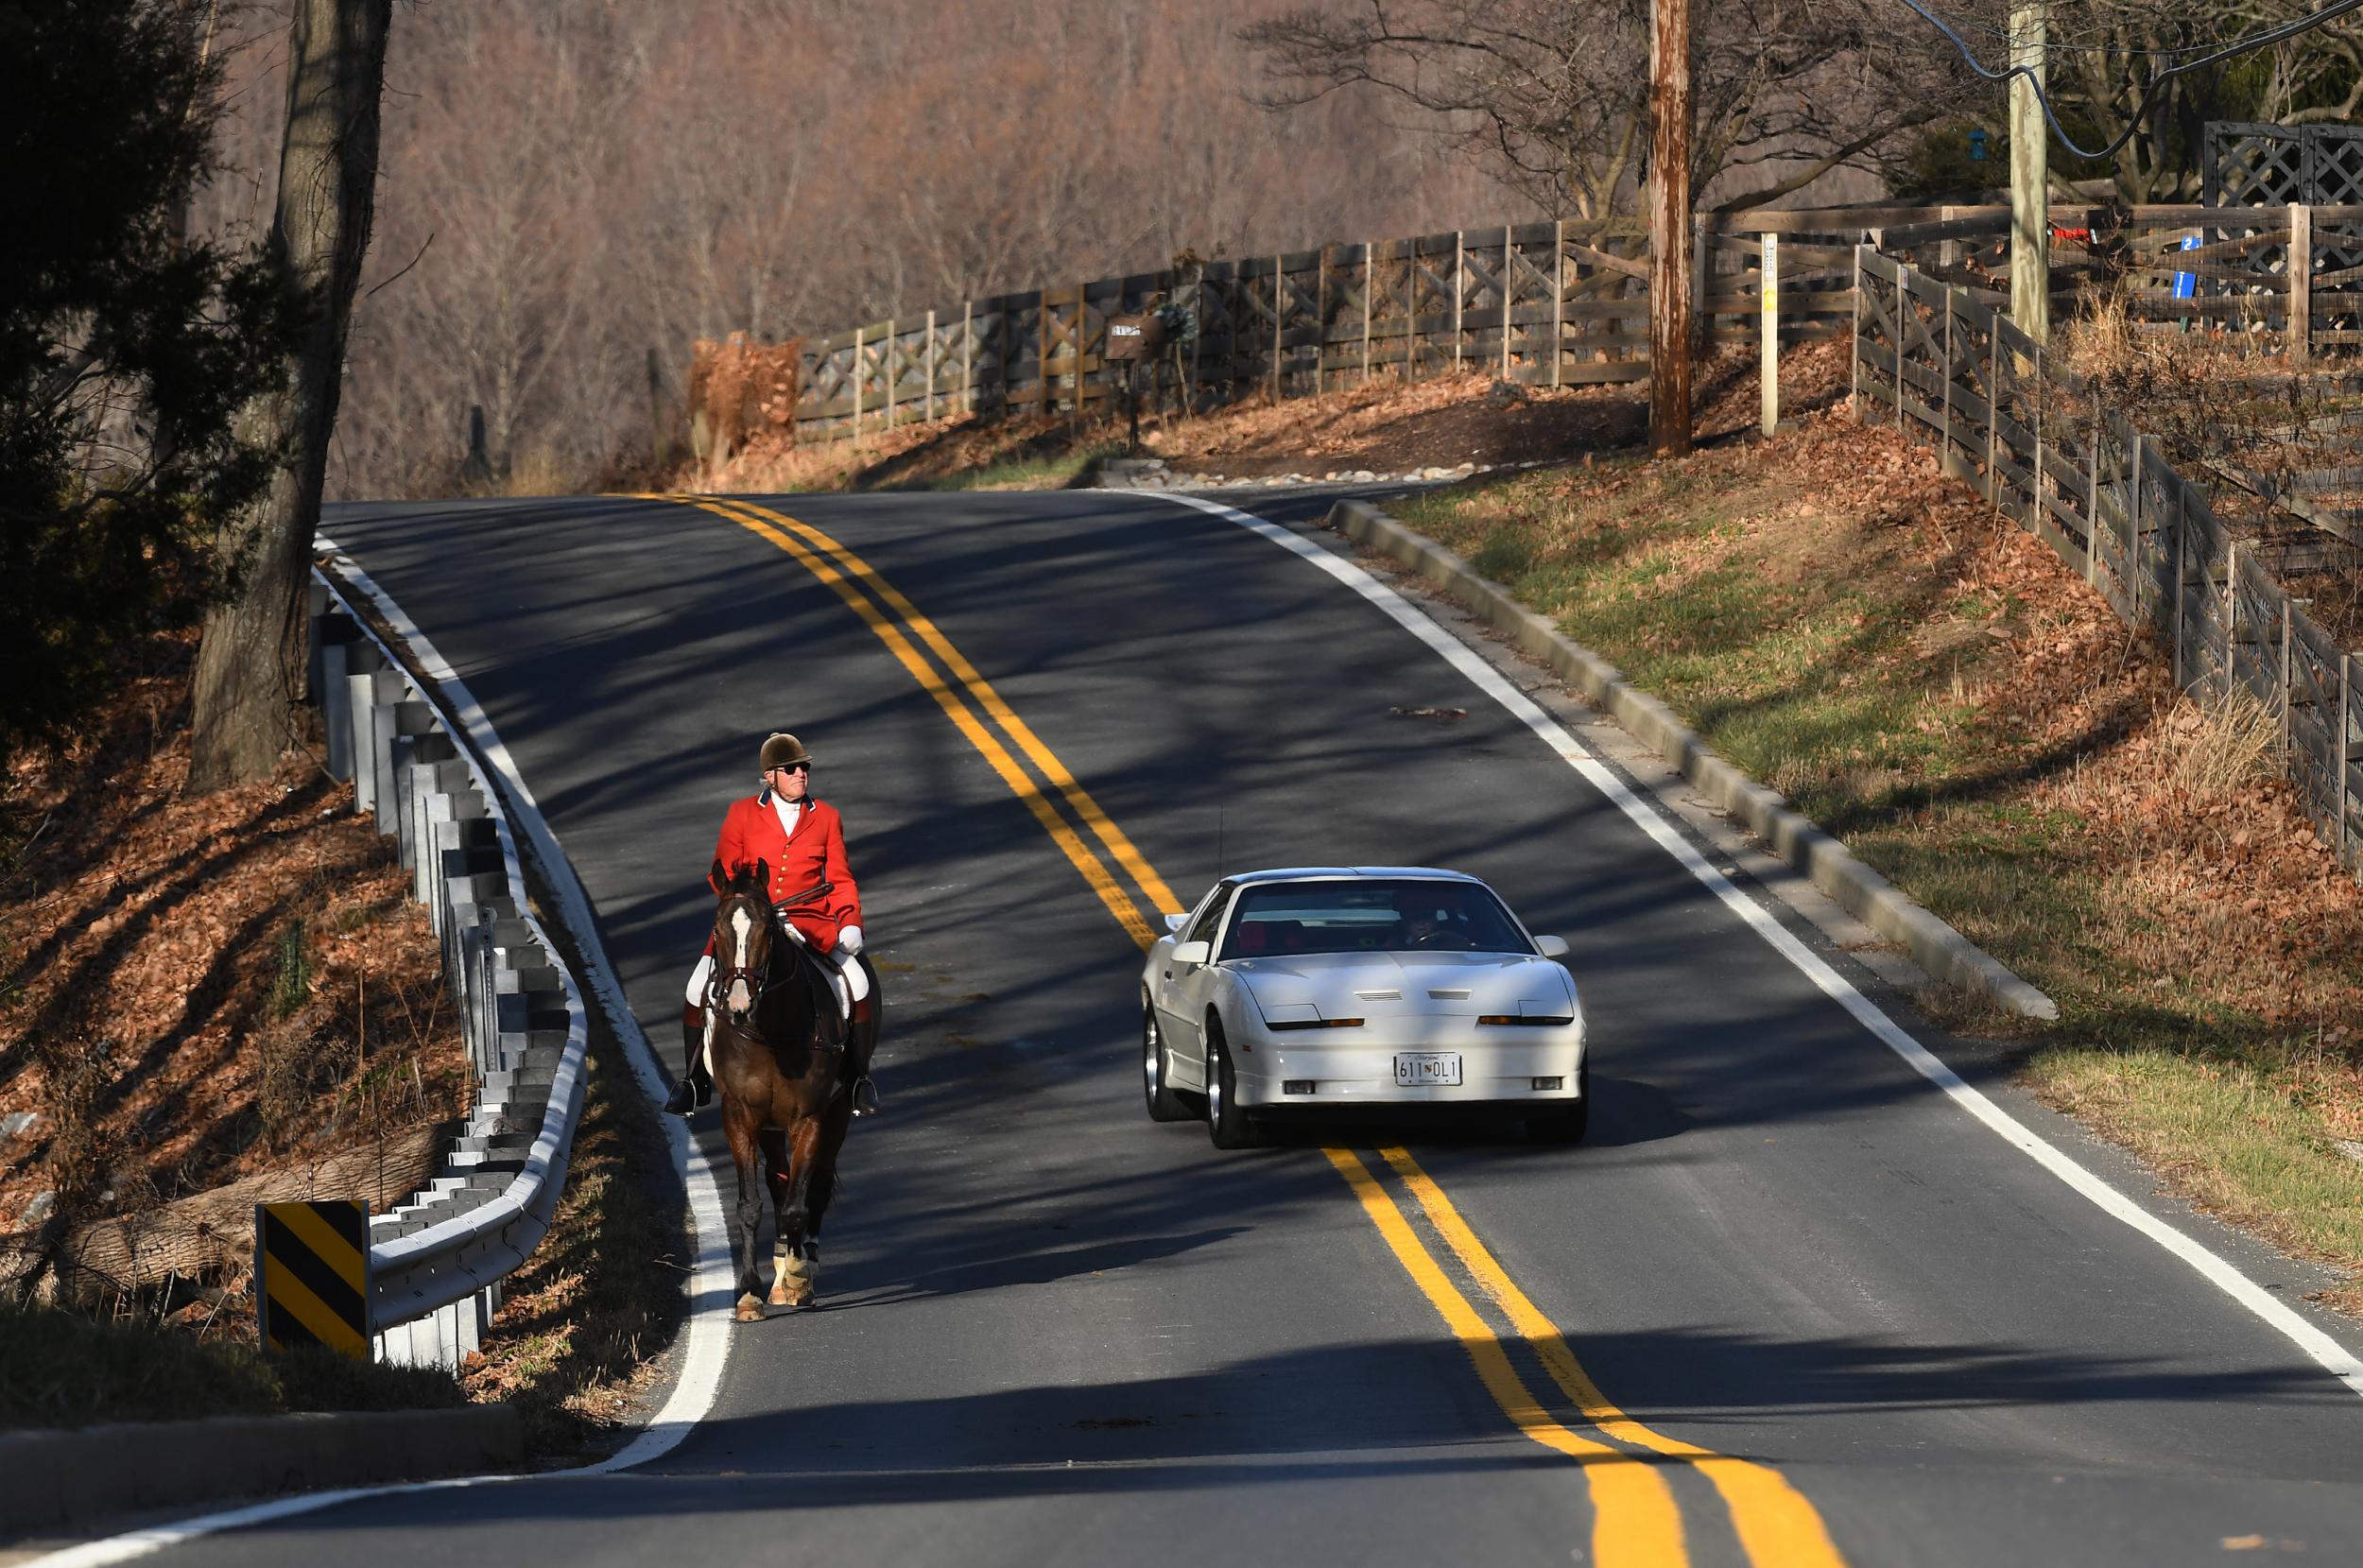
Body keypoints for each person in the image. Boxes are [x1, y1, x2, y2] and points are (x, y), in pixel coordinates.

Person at [667, 732, 880, 1116]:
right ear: (770, 776)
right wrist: (746, 900)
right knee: (696, 986)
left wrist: (850, 922)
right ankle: (694, 1081)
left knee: (860, 984)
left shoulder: (827, 817)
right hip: (749, 924)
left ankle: (857, 1081)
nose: (802, 774)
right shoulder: (741, 814)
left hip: (809, 921)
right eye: (792, 769)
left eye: (805, 767)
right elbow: (722, 873)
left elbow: (841, 878)